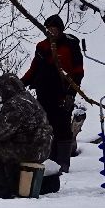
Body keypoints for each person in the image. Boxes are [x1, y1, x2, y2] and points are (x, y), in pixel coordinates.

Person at [20, 15, 84, 180]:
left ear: (60, 29)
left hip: (63, 93)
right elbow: (34, 69)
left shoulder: (71, 45)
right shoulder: (42, 46)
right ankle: (50, 161)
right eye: (49, 29)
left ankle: (63, 163)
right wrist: (21, 83)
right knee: (46, 127)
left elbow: (78, 72)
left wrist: (71, 94)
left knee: (62, 127)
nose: (51, 32)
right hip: (43, 93)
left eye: (54, 29)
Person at [0, 74, 52, 198]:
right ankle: (14, 184)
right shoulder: (28, 99)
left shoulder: (16, 104)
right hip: (41, 149)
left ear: (7, 89)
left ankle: (2, 189)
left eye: (1, 92)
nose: (1, 96)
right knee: (3, 150)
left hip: (29, 150)